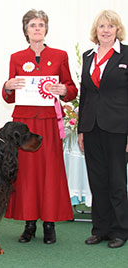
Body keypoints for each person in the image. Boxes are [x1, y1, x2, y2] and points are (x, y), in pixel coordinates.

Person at [2, 9, 77, 244]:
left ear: (46, 29)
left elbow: (71, 89)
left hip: (48, 123)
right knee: (26, 173)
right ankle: (29, 224)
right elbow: (9, 97)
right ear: (26, 30)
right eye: (32, 24)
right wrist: (8, 86)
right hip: (23, 126)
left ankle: (49, 224)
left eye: (41, 24)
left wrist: (65, 91)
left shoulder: (60, 55)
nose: (37, 28)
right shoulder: (16, 57)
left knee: (50, 172)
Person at [78, 10, 128, 248]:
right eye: (101, 26)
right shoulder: (88, 56)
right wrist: (80, 129)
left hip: (119, 128)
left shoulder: (126, 54)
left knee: (117, 180)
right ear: (95, 30)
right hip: (91, 127)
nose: (106, 30)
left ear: (117, 30)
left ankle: (120, 230)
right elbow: (85, 94)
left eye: (110, 26)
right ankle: (101, 229)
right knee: (97, 180)